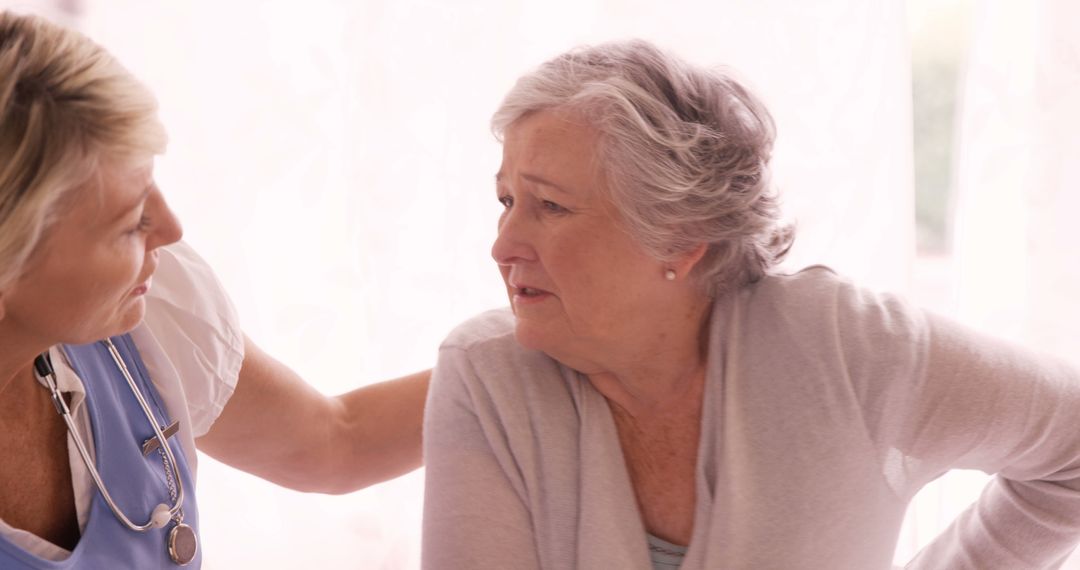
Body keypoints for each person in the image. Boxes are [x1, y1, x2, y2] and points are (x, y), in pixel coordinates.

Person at [421, 39, 1080, 569]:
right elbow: (335, 446)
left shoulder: (844, 348)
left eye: (551, 206)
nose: (502, 245)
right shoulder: (484, 378)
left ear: (678, 239)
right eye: (507, 202)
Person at [0, 11, 428, 568]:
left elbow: (334, 441)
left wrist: (516, 351)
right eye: (130, 220)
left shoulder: (143, 314)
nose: (171, 229)